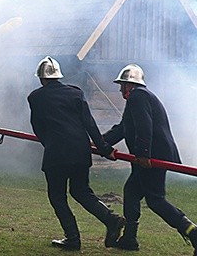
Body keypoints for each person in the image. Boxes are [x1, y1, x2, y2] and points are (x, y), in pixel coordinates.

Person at [27, 56, 125, 250]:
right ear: (59, 76)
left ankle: (72, 238)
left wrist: (50, 143)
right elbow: (90, 124)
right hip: (80, 152)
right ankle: (111, 220)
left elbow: (37, 127)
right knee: (81, 192)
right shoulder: (75, 94)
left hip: (56, 154)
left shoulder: (35, 97)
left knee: (57, 196)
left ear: (41, 79)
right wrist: (105, 150)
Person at [103, 64, 197, 254]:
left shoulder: (138, 97)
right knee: (131, 192)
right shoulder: (138, 99)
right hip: (146, 158)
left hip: (151, 157)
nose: (121, 89)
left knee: (155, 200)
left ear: (130, 85)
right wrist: (98, 141)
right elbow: (123, 128)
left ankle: (194, 233)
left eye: (122, 85)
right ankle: (130, 238)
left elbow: (145, 126)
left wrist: (144, 153)